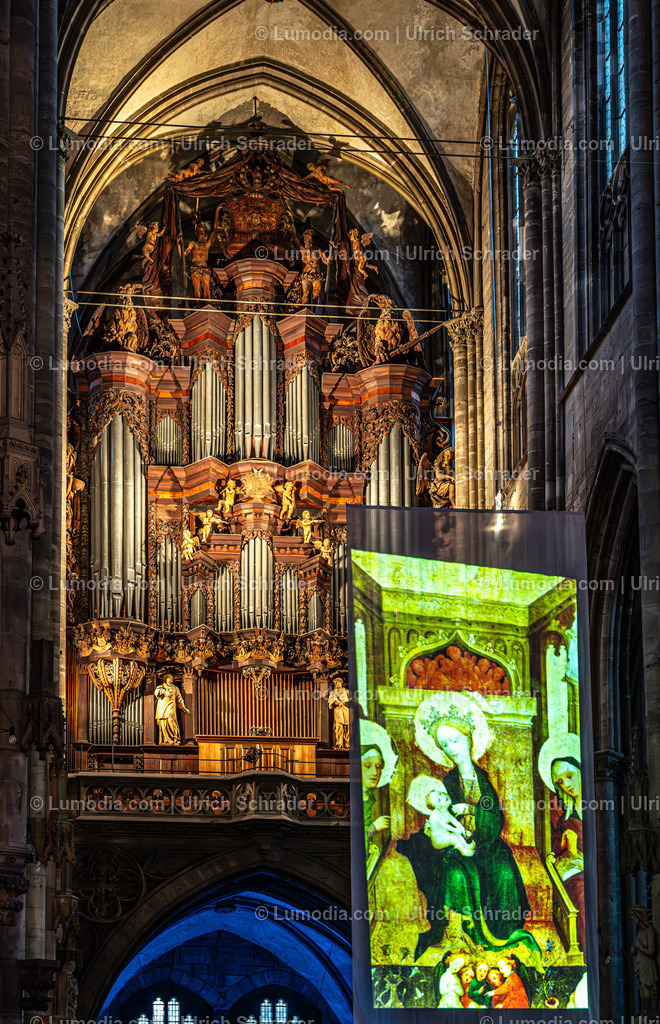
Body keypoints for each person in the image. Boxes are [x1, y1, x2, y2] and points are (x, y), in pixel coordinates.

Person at [398, 692, 537, 959]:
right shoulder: (448, 782)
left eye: (455, 740)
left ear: (468, 739)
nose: (452, 747)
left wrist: (474, 812)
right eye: (445, 745)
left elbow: (495, 817)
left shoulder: (483, 777)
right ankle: (464, 931)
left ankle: (504, 933)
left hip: (489, 844)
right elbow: (439, 812)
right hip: (459, 847)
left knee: (505, 873)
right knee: (453, 874)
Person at [538, 734, 585, 952]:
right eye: (559, 782)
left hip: (604, 872)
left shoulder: (602, 807)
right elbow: (558, 853)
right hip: (579, 876)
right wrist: (555, 858)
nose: (566, 785)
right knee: (580, 893)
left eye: (569, 776)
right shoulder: (566, 820)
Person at [154, 674, 189, 744]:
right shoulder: (161, 687)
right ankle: (166, 739)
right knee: (163, 723)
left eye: (172, 678)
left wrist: (183, 707)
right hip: (162, 707)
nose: (171, 679)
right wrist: (164, 692)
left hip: (171, 707)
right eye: (169, 677)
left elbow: (179, 698)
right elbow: (156, 692)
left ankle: (174, 738)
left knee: (171, 720)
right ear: (166, 679)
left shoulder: (175, 688)